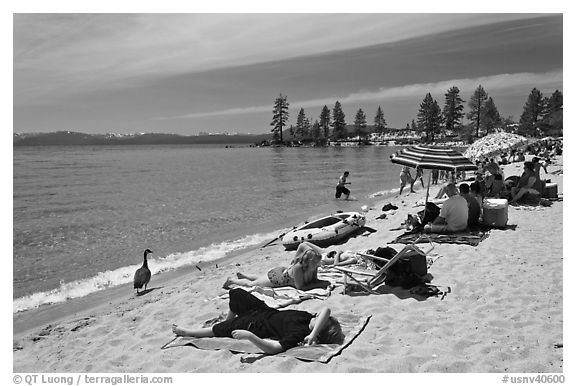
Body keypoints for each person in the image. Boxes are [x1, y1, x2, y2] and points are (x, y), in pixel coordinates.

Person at [172, 288, 344, 354]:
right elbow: (326, 310)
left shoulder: (298, 333)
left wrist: (249, 337)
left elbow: (274, 348)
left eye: (321, 322)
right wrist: (314, 332)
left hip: (255, 326)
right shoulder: (309, 319)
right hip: (265, 311)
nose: (317, 316)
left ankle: (188, 332)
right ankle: (228, 318)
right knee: (236, 293)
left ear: (321, 330)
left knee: (221, 329)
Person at [223, 241, 331, 291]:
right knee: (252, 284)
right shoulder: (299, 267)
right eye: (316, 263)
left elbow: (315, 280)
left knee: (261, 278)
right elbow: (300, 287)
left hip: (283, 271)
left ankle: (244, 275)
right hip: (277, 278)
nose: (318, 265)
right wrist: (319, 285)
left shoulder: (313, 264)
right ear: (309, 262)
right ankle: (232, 280)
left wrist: (321, 283)